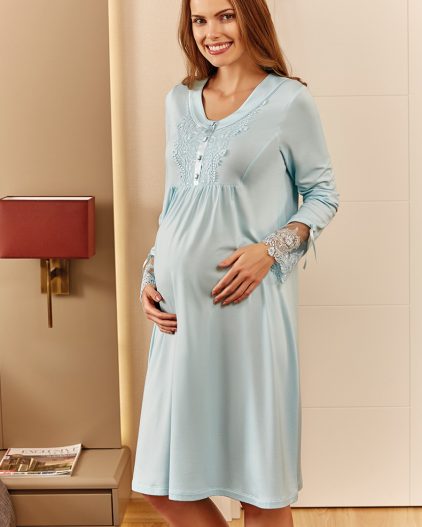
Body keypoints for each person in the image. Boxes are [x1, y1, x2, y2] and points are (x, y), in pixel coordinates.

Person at [132, 0, 340, 525]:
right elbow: (174, 203)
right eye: (199, 20)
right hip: (178, 322)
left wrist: (270, 251)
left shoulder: (289, 101)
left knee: (259, 492)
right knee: (163, 486)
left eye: (225, 15)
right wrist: (151, 273)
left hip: (248, 314)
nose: (211, 32)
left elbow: (322, 196)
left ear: (252, 16)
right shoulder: (179, 101)